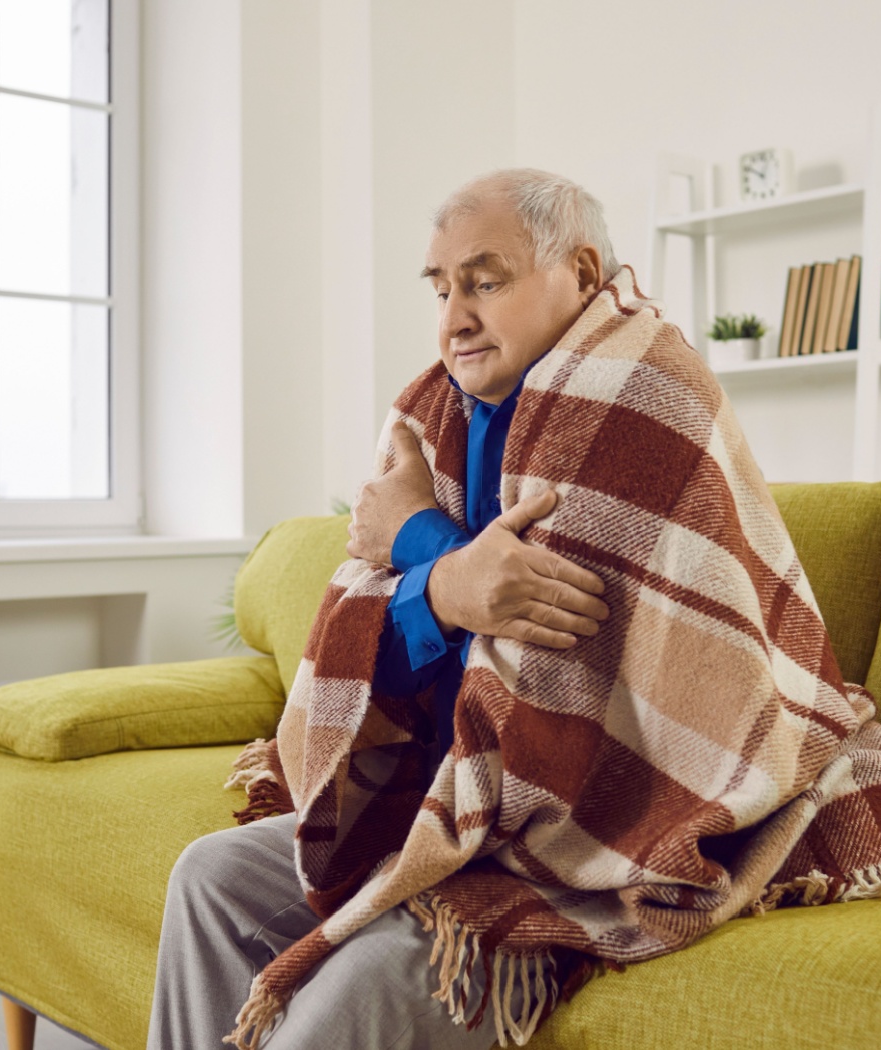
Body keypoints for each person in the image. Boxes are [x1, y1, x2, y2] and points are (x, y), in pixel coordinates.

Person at [148, 169, 619, 1050]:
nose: (454, 318)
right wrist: (444, 582)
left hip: (562, 842)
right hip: (430, 801)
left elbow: (569, 620)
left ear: (583, 275)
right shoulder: (430, 418)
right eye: (441, 289)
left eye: (485, 281)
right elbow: (367, 638)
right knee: (209, 875)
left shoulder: (638, 399)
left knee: (356, 987)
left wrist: (417, 544)